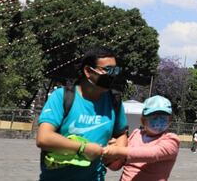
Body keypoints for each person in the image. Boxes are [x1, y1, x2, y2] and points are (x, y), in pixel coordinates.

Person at [35, 47, 129, 181]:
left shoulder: (114, 101)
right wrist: (83, 148)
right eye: (108, 70)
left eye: (116, 70)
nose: (112, 75)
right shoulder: (62, 97)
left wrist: (117, 153)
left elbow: (121, 133)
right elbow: (44, 138)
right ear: (88, 71)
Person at [101, 96, 179, 181]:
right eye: (154, 117)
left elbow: (152, 154)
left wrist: (116, 151)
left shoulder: (171, 140)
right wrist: (107, 158)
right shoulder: (136, 134)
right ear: (143, 120)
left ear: (170, 120)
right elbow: (117, 165)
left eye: (163, 117)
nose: (159, 121)